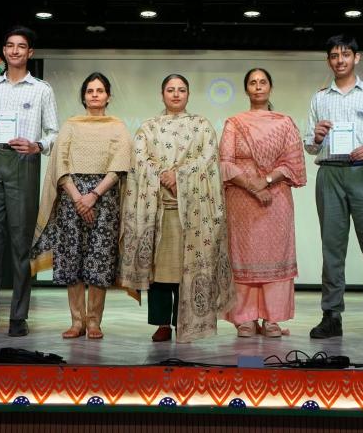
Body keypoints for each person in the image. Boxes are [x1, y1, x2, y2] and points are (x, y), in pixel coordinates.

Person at [119, 74, 234, 343]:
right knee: (160, 272)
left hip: (193, 215)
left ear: (188, 94)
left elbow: (208, 159)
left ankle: (184, 322)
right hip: (159, 211)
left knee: (187, 270)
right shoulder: (149, 128)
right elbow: (139, 160)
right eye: (170, 90)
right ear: (162, 94)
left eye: (181, 90)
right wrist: (162, 174)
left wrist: (178, 175)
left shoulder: (202, 126)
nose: (176, 94)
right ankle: (162, 324)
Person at [304, 34, 363, 342]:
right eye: (334, 55)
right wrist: (316, 137)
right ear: (328, 61)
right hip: (330, 174)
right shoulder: (320, 98)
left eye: (345, 54)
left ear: (356, 58)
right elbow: (309, 144)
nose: (339, 60)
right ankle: (331, 316)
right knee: (332, 249)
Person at [0, 26, 59, 337]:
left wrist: (37, 146)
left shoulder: (41, 89)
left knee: (21, 243)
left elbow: (54, 133)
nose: (15, 50)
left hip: (23, 162)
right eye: (10, 45)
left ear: (30, 52)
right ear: (4, 51)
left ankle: (19, 317)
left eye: (21, 46)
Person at [30, 73, 132, 339]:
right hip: (71, 198)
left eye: (100, 90)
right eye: (90, 91)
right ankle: (77, 321)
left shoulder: (117, 126)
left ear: (108, 96)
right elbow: (60, 164)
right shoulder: (70, 125)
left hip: (105, 199)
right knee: (71, 257)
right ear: (84, 97)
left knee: (100, 258)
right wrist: (78, 198)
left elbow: (120, 164)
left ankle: (94, 321)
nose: (95, 95)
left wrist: (94, 195)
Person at [220, 68, 306, 338]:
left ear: (270, 87)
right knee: (243, 255)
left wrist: (266, 180)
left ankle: (272, 319)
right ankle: (244, 319)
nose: (258, 86)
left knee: (274, 255)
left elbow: (293, 162)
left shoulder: (285, 123)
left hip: (276, 198)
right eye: (252, 83)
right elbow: (225, 162)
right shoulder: (234, 123)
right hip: (241, 197)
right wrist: (252, 186)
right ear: (246, 89)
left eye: (263, 82)